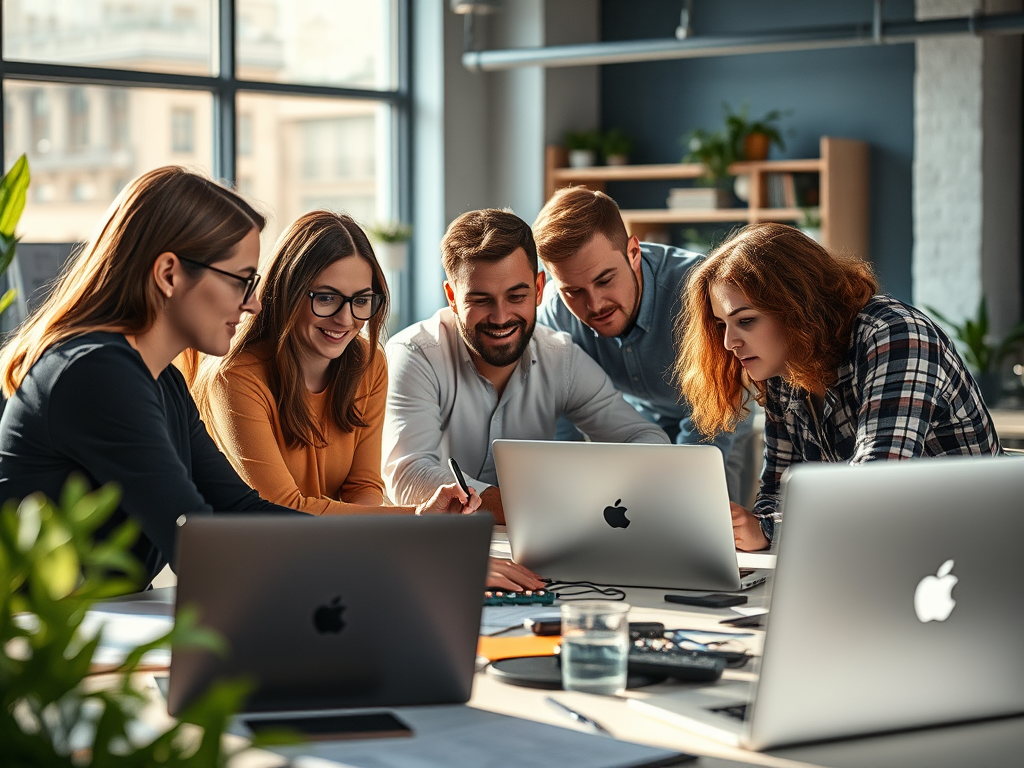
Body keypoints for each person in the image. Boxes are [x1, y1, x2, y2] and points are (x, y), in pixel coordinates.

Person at [193, 210, 535, 590]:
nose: (345, 319)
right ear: (287, 290)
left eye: (361, 300)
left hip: (337, 563)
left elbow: (362, 489)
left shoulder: (367, 363)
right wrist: (418, 521)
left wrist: (410, 529)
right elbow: (282, 511)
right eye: (326, 298)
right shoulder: (237, 377)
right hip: (254, 576)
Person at [0, 166, 298, 586]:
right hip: (41, 643)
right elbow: (194, 540)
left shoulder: (163, 383)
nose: (254, 304)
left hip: (93, 631)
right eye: (242, 281)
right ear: (168, 274)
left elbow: (240, 511)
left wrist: (375, 549)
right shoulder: (95, 373)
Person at [673, 222, 1001, 552]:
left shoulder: (896, 335)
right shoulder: (783, 369)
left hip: (976, 553)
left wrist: (769, 529)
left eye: (745, 320)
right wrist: (753, 528)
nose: (729, 342)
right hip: (888, 556)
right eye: (721, 325)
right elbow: (778, 495)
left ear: (797, 306)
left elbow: (876, 489)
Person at [382, 208, 670, 526]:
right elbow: (408, 475)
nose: (501, 317)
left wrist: (594, 492)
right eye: (481, 300)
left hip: (538, 549)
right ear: (452, 296)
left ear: (539, 288)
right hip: (443, 546)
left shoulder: (559, 357)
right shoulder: (415, 354)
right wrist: (532, 506)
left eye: (517, 296)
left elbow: (645, 438)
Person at [533, 187, 754, 502]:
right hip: (638, 421)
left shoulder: (700, 291)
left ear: (633, 253)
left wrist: (681, 488)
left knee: (704, 515)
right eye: (574, 291)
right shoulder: (553, 315)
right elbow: (559, 410)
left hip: (716, 410)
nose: (594, 305)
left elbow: (714, 412)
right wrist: (561, 483)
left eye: (605, 279)